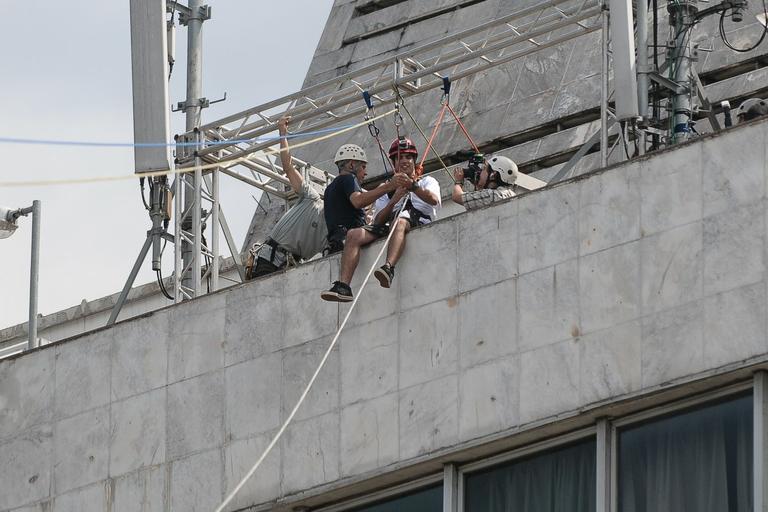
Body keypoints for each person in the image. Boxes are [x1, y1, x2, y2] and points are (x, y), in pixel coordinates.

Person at [321, 137, 441, 302]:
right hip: (391, 225)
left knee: (400, 220)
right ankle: (344, 286)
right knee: (353, 234)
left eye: (408, 157)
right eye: (399, 158)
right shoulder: (387, 188)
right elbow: (378, 221)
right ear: (394, 162)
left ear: (414, 160)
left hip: (414, 221)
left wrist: (413, 186)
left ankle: (389, 267)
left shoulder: (427, 181)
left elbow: (434, 200)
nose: (404, 161)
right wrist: (393, 200)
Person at [246, 116, 326, 279]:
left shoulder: (333, 231)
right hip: (270, 261)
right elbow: (288, 168)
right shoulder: (313, 198)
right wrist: (282, 134)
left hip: (292, 267)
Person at [322, 141, 408, 254]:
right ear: (351, 165)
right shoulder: (349, 178)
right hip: (351, 236)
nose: (366, 172)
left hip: (337, 242)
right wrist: (389, 186)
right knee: (395, 228)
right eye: (363, 167)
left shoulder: (330, 189)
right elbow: (358, 201)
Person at [452, 154, 518, 210]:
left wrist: (459, 181)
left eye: (484, 169)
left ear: (493, 175)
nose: (480, 172)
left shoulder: (491, 195)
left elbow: (457, 196)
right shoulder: (511, 195)